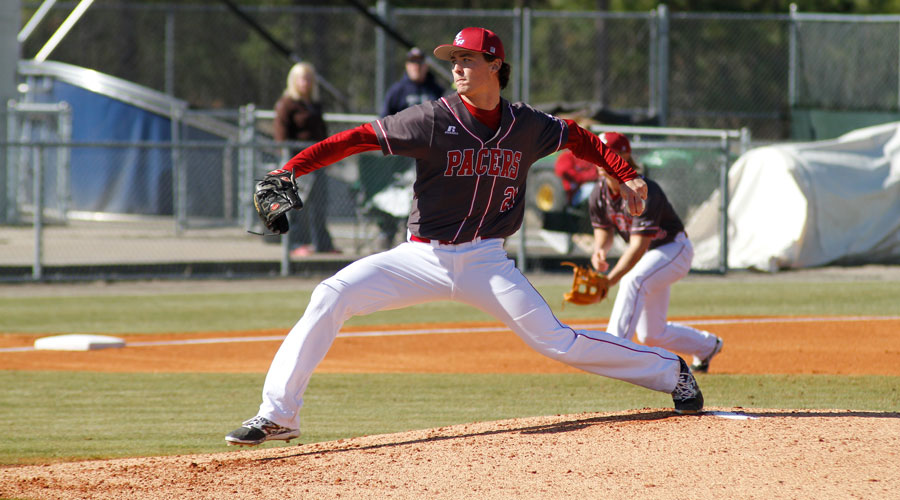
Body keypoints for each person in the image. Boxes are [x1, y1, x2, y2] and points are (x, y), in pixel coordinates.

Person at [226, 27, 703, 447]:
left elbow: (579, 136)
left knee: (555, 340)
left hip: (485, 262)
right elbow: (356, 139)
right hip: (420, 257)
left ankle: (672, 372)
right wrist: (289, 169)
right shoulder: (430, 118)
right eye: (453, 60)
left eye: (467, 59)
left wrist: (625, 171)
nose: (456, 68)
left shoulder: (526, 125)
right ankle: (278, 415)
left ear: (495, 65)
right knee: (331, 294)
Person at [588, 132, 723, 373]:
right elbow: (605, 233)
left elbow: (638, 247)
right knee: (652, 334)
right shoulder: (598, 193)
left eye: (607, 153)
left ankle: (613, 351)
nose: (601, 159)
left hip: (674, 249)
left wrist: (609, 280)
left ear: (625, 155)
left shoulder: (644, 189)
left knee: (632, 280)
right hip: (652, 258)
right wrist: (599, 250)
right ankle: (707, 346)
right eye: (598, 153)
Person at [369, 47, 448, 251]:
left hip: (429, 156)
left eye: (420, 62)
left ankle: (414, 235)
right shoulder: (398, 91)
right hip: (401, 157)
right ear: (407, 65)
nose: (416, 66)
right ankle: (387, 232)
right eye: (412, 62)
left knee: (419, 197)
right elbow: (385, 120)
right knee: (394, 197)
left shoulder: (436, 90)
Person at [272, 62, 338, 257]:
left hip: (317, 162)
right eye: (302, 78)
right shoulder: (287, 103)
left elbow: (322, 132)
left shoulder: (315, 104)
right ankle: (294, 244)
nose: (306, 82)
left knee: (319, 204)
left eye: (309, 78)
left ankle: (323, 244)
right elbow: (281, 136)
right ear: (294, 81)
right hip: (298, 164)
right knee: (294, 205)